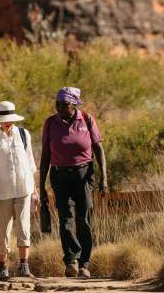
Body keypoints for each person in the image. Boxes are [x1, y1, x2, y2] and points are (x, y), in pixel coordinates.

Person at [39, 87, 107, 278]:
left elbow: (99, 149)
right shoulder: (51, 123)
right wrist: (41, 185)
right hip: (59, 175)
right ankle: (71, 261)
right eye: (57, 104)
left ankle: (85, 262)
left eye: (65, 104)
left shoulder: (86, 119)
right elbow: (45, 156)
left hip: (83, 174)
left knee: (83, 218)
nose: (60, 107)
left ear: (74, 103)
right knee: (65, 218)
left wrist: (104, 178)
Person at [0, 101, 39, 280]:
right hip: (2, 191)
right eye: (4, 119)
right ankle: (3, 267)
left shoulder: (23, 134)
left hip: (24, 188)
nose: (8, 122)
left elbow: (30, 163)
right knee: (3, 230)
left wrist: (35, 190)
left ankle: (24, 266)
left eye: (10, 119)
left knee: (24, 227)